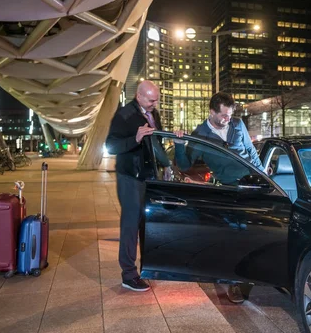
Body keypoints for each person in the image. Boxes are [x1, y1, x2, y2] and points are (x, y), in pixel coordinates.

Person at [174, 92, 263, 303]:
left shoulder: (238, 124)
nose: (227, 120)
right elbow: (185, 166)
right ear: (212, 112)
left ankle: (255, 272)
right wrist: (179, 144)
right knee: (232, 238)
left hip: (251, 185)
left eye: (230, 115)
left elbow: (250, 151)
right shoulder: (200, 134)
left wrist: (264, 178)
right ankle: (233, 283)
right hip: (227, 190)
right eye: (223, 115)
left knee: (254, 234)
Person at [105, 80, 170, 292]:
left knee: (148, 223)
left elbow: (157, 144)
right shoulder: (124, 115)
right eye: (151, 100)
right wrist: (135, 137)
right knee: (131, 225)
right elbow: (111, 145)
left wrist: (166, 165)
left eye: (156, 99)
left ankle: (149, 268)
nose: (154, 103)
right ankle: (128, 274)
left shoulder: (154, 114)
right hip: (130, 177)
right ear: (139, 96)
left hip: (149, 176)